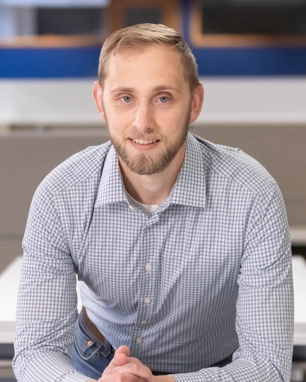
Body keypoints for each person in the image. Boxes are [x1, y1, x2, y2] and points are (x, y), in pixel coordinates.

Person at [13, 23, 294, 382]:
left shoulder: (252, 194)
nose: (142, 122)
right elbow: (37, 350)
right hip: (93, 365)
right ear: (101, 102)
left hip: (214, 373)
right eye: (125, 98)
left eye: (163, 98)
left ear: (194, 103)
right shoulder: (60, 195)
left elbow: (268, 365)